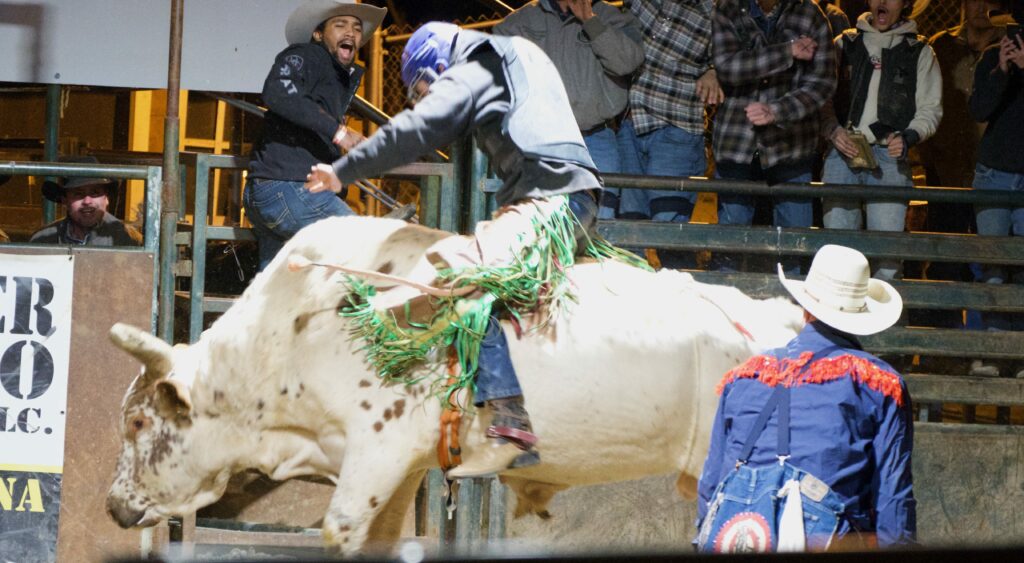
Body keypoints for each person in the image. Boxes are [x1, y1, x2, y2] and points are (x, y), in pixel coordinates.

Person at [305, 22, 611, 477]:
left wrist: (344, 171)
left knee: (467, 278)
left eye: (424, 88)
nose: (424, 99)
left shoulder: (477, 66)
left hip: (553, 199)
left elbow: (420, 128)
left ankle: (509, 422)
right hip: (569, 194)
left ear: (440, 65)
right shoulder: (510, 57)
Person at [696, 244, 915, 552]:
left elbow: (710, 486)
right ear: (860, 315)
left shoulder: (743, 376)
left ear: (805, 308)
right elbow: (893, 497)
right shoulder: (879, 383)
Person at [243, 0, 386, 270]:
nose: (351, 33)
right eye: (340, 25)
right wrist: (339, 132)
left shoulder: (333, 75)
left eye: (356, 28)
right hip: (290, 188)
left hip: (275, 192)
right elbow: (277, 90)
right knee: (365, 246)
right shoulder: (310, 55)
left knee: (279, 293)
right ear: (318, 34)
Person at [710, 0, 837, 274]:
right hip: (737, 141)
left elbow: (822, 82)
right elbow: (728, 67)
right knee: (729, 244)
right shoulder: (729, 8)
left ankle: (793, 312)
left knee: (794, 245)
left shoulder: (810, 15)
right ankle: (723, 312)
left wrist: (777, 111)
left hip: (791, 144)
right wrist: (787, 52)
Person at [820, 0, 942, 282]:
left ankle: (886, 324)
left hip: (889, 157)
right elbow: (822, 96)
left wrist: (908, 136)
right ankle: (840, 324)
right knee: (838, 254)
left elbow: (930, 109)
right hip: (843, 151)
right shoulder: (845, 43)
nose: (882, 3)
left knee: (887, 260)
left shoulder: (920, 51)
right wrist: (833, 130)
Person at [493, 0, 644, 220]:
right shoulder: (520, 22)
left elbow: (627, 63)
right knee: (541, 226)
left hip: (596, 140)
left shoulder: (611, 17)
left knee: (600, 225)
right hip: (540, 145)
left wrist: (590, 21)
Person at [615, 0, 723, 268]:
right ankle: (630, 302)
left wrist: (715, 70)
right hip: (632, 121)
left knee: (669, 231)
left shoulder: (718, 13)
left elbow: (739, 55)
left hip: (676, 127)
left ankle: (681, 303)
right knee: (630, 228)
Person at [967, 8, 1024, 377]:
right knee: (991, 267)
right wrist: (1001, 71)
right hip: (993, 174)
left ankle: (1018, 353)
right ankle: (988, 352)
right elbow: (978, 109)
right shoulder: (993, 55)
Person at [30, 157, 142, 247]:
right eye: (78, 194)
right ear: (65, 199)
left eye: (95, 192)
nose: (87, 201)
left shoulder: (127, 239)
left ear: (106, 198)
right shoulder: (43, 239)